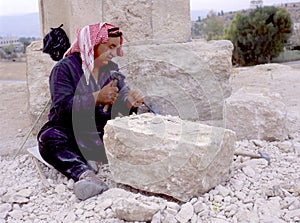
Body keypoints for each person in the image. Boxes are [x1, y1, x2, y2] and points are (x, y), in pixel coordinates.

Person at [37, 22, 144, 201]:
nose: (115, 53)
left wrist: (130, 103)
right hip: (69, 132)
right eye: (110, 46)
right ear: (93, 44)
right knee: (48, 138)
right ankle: (86, 175)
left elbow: (120, 112)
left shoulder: (112, 71)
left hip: (99, 135)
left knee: (130, 134)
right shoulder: (64, 68)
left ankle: (91, 160)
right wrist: (97, 97)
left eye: (117, 48)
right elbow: (62, 107)